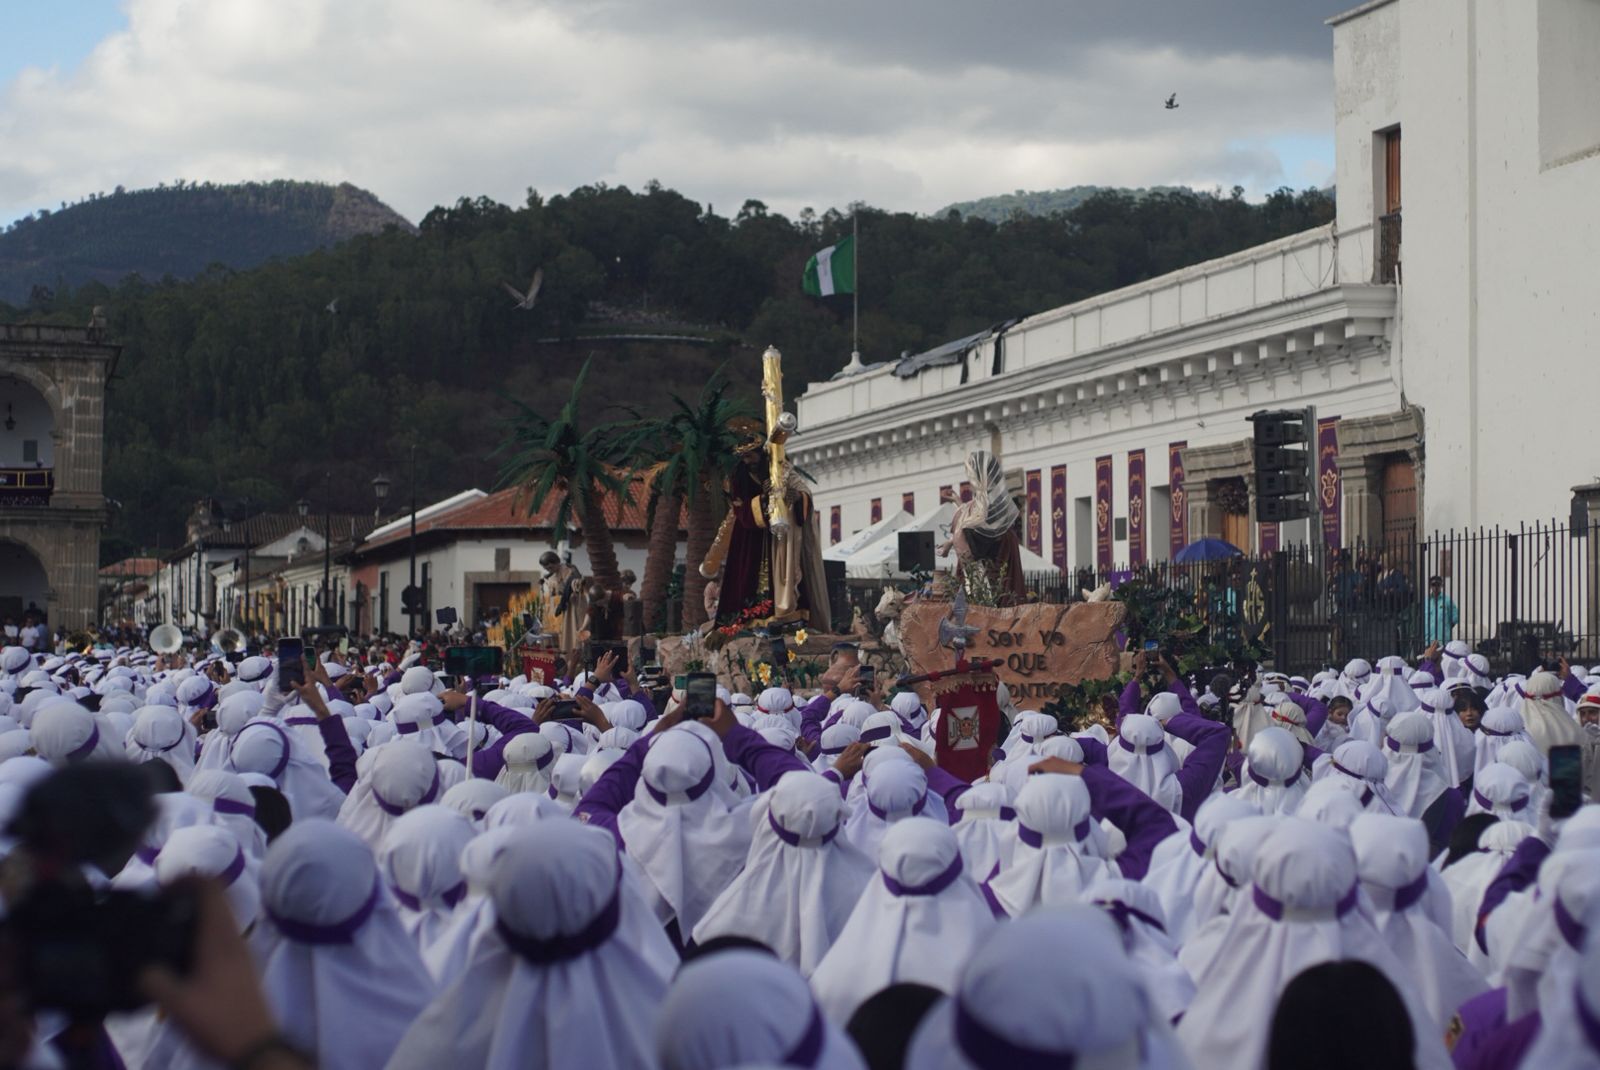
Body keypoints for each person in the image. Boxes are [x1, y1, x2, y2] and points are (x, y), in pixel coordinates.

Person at [939, 450, 1026, 606]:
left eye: (971, 473)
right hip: (992, 549)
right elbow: (975, 522)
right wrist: (959, 502)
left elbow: (978, 530)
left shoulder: (991, 497)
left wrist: (952, 541)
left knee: (993, 600)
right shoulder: (988, 496)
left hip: (995, 553)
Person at [1424, 575, 1459, 646]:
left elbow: (1455, 619)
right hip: (1428, 640)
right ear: (1430, 586)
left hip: (1443, 641)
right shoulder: (1426, 601)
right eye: (1433, 585)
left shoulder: (1447, 601)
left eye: (1438, 584)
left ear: (1441, 586)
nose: (1436, 587)